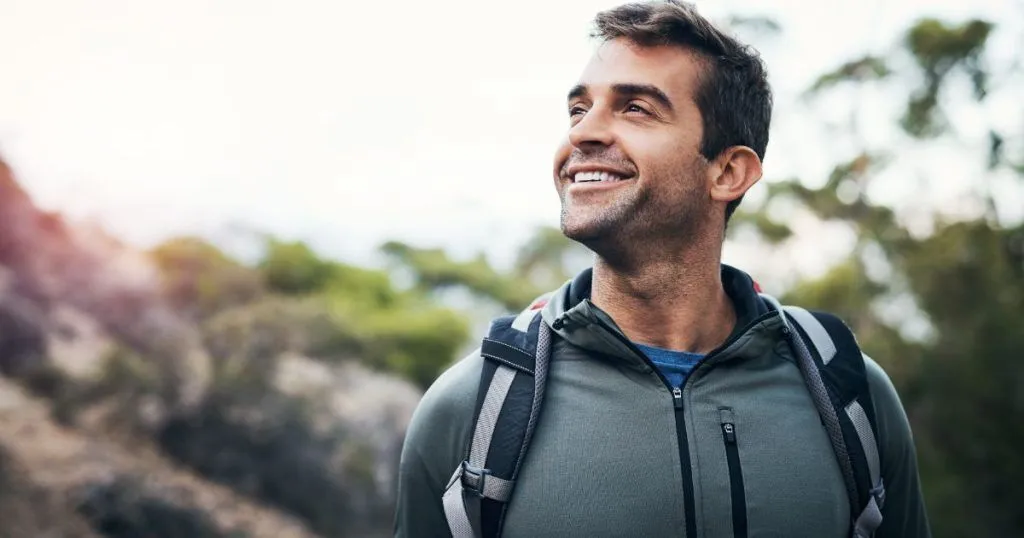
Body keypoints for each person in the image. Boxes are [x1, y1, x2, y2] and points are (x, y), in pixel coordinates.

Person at [394, 1, 931, 536]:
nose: (583, 134)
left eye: (635, 109)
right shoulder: (473, 408)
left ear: (728, 172)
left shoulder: (849, 394)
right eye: (579, 109)